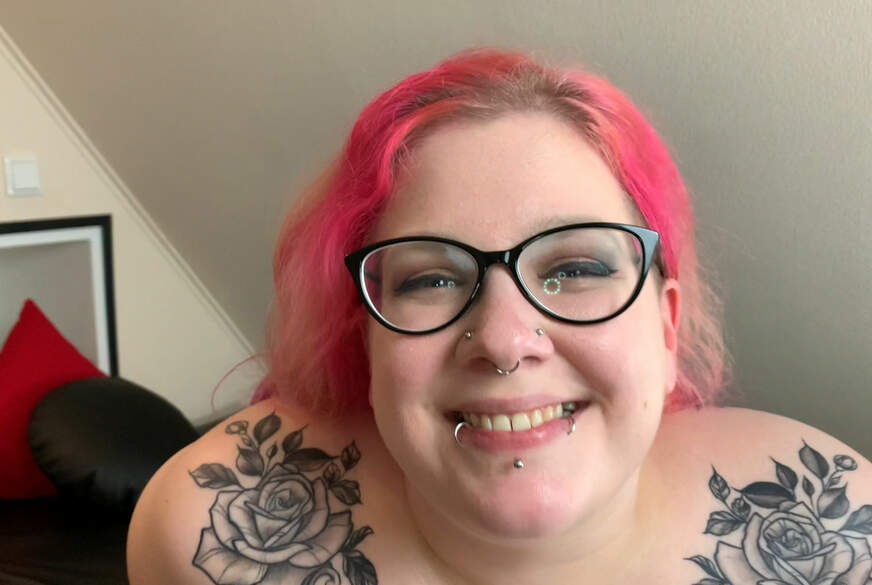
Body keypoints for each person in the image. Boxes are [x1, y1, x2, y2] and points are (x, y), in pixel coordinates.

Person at [127, 48, 872, 585]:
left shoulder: (842, 532)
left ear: (666, 327)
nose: (506, 341)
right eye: (431, 279)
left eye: (576, 269)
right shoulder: (198, 534)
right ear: (367, 339)